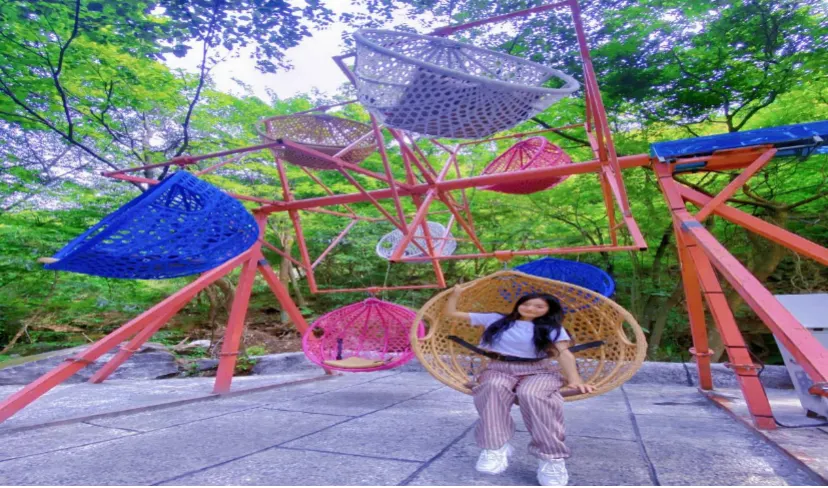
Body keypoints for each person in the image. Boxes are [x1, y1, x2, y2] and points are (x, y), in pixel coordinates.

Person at [445, 285, 594, 487]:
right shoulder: (495, 319)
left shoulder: (552, 329)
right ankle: (495, 447)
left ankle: (551, 458)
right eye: (527, 304)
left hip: (537, 370)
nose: (531, 308)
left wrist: (575, 379)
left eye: (539, 306)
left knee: (532, 394)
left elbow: (564, 354)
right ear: (519, 304)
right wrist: (455, 294)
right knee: (492, 387)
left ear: (548, 310)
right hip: (499, 368)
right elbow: (451, 313)